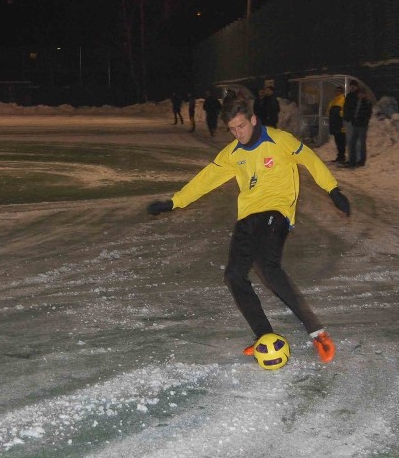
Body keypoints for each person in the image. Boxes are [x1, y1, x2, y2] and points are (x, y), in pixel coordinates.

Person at [146, 98, 350, 364]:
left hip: (276, 212)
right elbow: (206, 179)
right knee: (234, 275)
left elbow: (310, 160)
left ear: (253, 120)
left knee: (267, 267)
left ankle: (317, 332)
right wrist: (175, 201)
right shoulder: (232, 154)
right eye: (232, 129)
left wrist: (333, 189)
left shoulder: (279, 140)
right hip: (247, 217)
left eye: (241, 126)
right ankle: (264, 336)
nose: (238, 133)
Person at [347, 88, 372, 167]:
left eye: (362, 93)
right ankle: (353, 160)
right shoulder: (357, 102)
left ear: (365, 94)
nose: (360, 95)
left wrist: (364, 122)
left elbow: (367, 114)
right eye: (359, 93)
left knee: (361, 143)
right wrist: (353, 120)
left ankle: (362, 161)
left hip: (362, 125)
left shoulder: (367, 102)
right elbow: (354, 112)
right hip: (356, 125)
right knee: (353, 143)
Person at [342, 81, 360, 166]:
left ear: (356, 87)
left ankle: (356, 159)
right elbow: (345, 107)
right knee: (349, 141)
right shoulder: (349, 95)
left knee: (355, 141)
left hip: (354, 122)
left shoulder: (358, 95)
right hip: (348, 121)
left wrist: (355, 119)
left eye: (353, 86)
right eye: (351, 86)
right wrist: (345, 118)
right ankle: (350, 158)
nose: (352, 87)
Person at [327, 86, 346, 164]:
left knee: (341, 141)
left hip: (340, 124)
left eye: (339, 91)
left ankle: (342, 157)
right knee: (338, 141)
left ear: (341, 92)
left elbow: (344, 111)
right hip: (335, 124)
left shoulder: (343, 100)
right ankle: (339, 156)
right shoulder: (334, 101)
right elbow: (328, 111)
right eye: (336, 91)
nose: (337, 92)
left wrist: (340, 115)